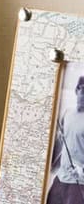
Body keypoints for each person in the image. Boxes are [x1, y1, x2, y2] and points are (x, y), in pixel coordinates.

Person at [47, 76, 84, 204]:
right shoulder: (67, 112)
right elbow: (61, 142)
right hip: (60, 178)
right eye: (83, 90)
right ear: (77, 90)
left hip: (79, 183)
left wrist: (82, 170)